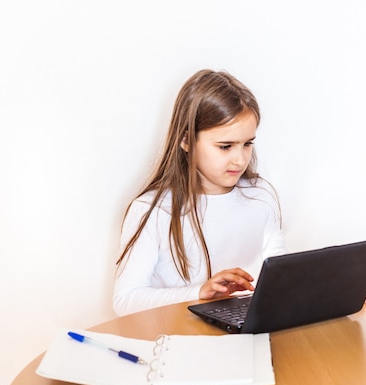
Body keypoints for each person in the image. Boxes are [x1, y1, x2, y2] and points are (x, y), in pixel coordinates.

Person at [113, 69, 286, 316]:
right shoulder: (153, 210)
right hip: (179, 340)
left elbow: (279, 276)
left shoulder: (260, 195)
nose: (239, 159)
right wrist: (199, 293)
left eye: (247, 144)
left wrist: (325, 289)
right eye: (225, 146)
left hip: (243, 338)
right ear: (186, 140)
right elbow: (126, 300)